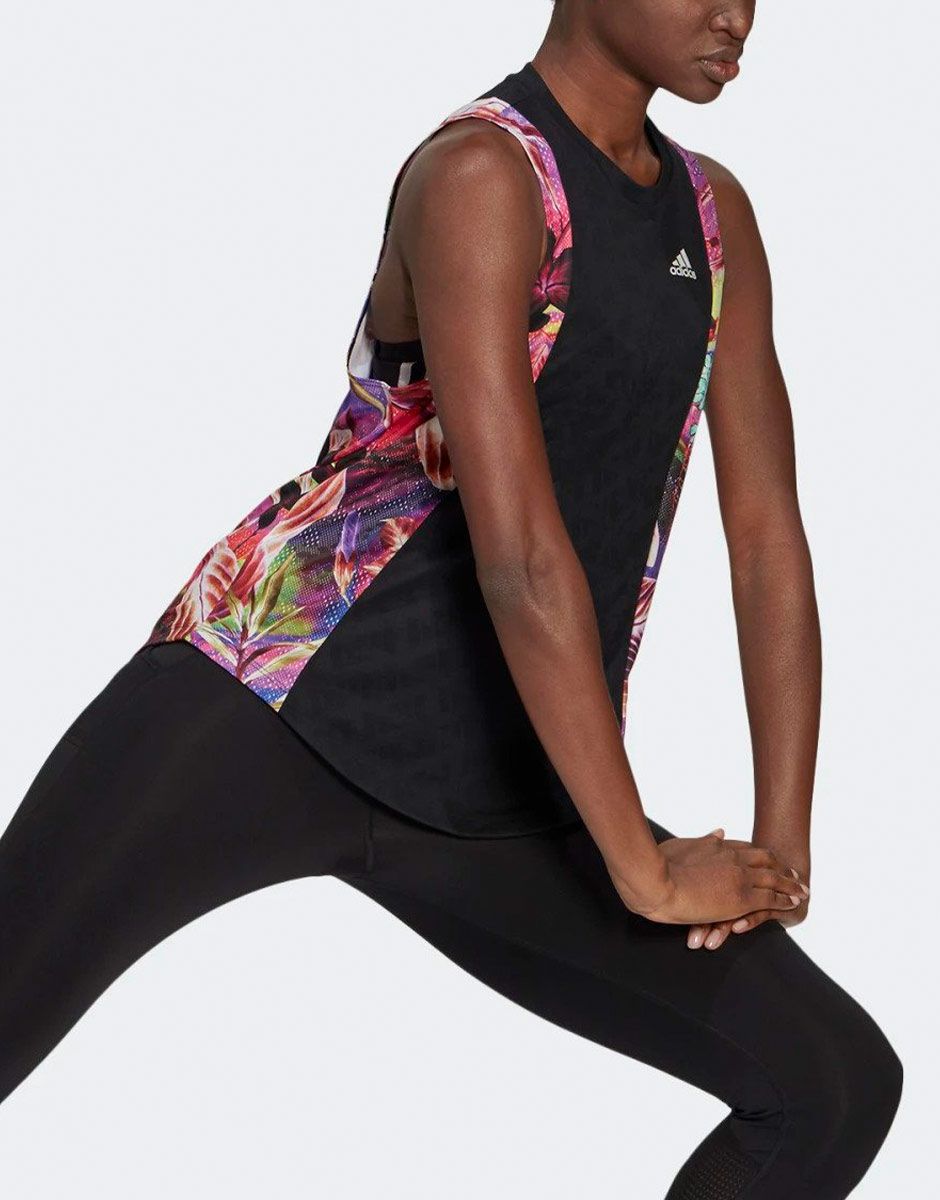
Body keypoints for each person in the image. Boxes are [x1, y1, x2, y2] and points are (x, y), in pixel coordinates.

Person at [1, 2, 902, 1196]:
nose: (735, 12)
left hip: (503, 780)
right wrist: (638, 862)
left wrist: (779, 845)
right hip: (274, 704)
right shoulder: (483, 175)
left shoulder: (712, 219)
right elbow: (520, 555)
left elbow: (766, 539)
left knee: (830, 1087)